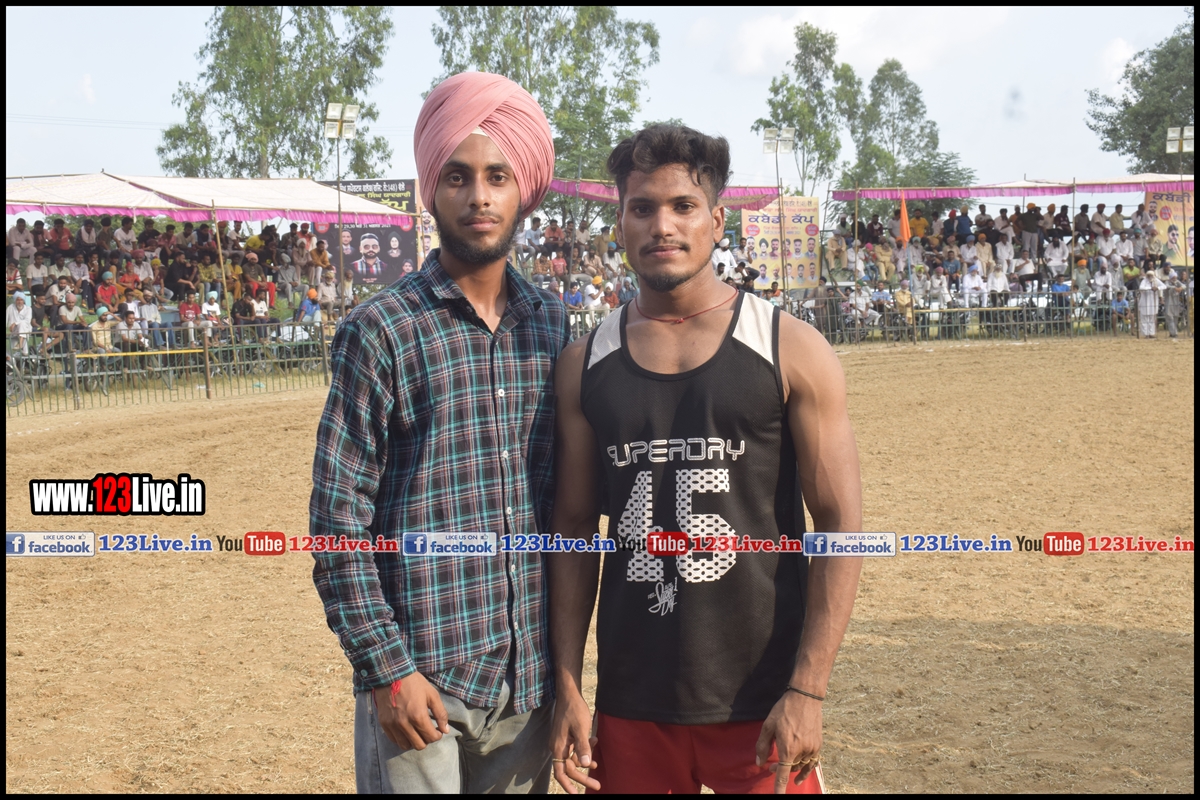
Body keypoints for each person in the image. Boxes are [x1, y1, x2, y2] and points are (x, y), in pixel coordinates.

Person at [548, 123, 861, 795]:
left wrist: (808, 689)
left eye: (683, 206)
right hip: (632, 702)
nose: (662, 225)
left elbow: (840, 525)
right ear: (620, 222)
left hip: (763, 703)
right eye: (642, 208)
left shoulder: (790, 348)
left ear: (717, 222)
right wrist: (568, 686)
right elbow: (572, 532)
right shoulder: (584, 363)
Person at [311, 71, 563, 796]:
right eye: (458, 176)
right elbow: (337, 522)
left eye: (497, 176)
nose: (479, 196)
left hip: (527, 688)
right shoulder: (380, 330)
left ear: (524, 191)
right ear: (431, 190)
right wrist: (386, 668)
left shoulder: (553, 327)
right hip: (420, 687)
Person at [1136, 268, 1163, 338]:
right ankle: (1146, 334)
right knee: (1144, 319)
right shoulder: (1144, 281)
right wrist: (1150, 288)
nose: (1150, 277)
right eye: (1149, 275)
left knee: (1152, 319)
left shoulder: (1156, 281)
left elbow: (1164, 286)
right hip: (1144, 302)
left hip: (1153, 303)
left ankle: (1151, 333)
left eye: (1151, 275)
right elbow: (1141, 287)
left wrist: (1157, 288)